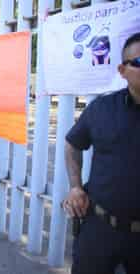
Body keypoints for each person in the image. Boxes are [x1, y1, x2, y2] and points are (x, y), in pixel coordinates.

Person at [63, 32, 140, 274]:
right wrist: (75, 186)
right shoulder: (102, 110)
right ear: (122, 70)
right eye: (139, 62)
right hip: (100, 229)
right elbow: (73, 144)